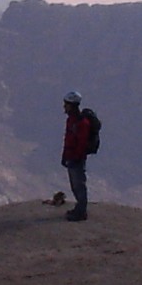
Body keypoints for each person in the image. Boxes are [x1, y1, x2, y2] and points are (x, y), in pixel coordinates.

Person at [60, 91, 98, 222]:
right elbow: (68, 138)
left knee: (79, 185)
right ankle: (79, 208)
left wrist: (75, 157)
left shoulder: (82, 123)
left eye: (66, 105)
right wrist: (65, 156)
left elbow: (81, 143)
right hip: (71, 157)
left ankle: (81, 212)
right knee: (75, 185)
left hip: (77, 159)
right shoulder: (71, 120)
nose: (64, 107)